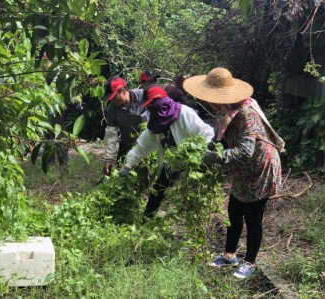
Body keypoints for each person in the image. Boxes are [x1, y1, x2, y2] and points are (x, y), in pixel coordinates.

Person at [183, 67, 284, 279]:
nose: (208, 102)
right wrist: (206, 148)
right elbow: (222, 138)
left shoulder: (247, 114)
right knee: (234, 211)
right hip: (241, 170)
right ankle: (229, 255)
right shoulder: (226, 111)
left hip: (259, 168)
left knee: (253, 217)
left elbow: (246, 151)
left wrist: (214, 157)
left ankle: (251, 262)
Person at [118, 85, 214, 218]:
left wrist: (206, 150)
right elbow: (143, 145)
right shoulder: (156, 122)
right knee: (157, 191)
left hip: (191, 163)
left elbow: (204, 132)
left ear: (159, 102)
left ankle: (194, 224)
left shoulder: (184, 113)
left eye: (151, 105)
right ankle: (147, 220)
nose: (150, 109)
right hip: (172, 163)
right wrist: (128, 165)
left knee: (191, 196)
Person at [102, 75, 147, 175]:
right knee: (121, 175)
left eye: (114, 97)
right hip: (127, 144)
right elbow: (111, 135)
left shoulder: (145, 96)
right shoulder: (112, 109)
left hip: (148, 144)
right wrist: (108, 159)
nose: (112, 100)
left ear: (122, 91)